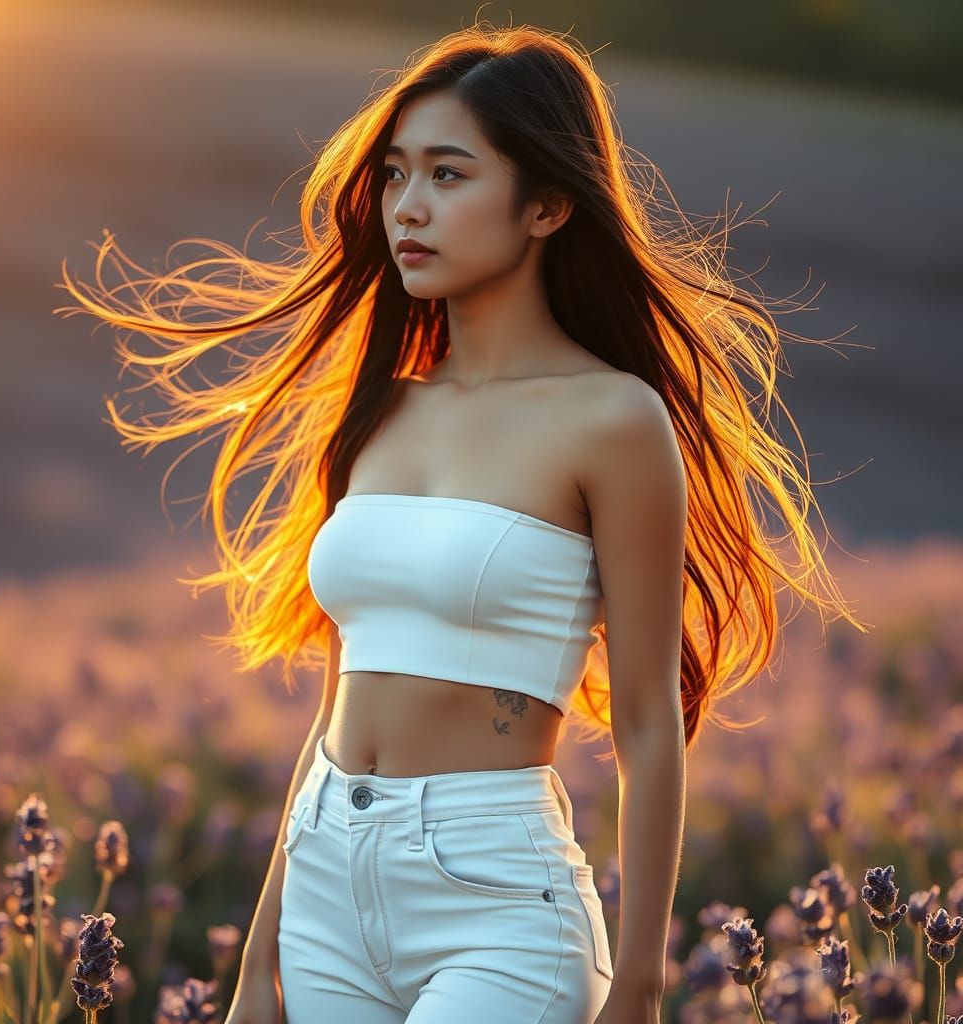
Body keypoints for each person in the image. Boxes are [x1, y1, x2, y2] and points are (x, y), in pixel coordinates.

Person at [56, 19, 868, 1024]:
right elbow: (335, 703)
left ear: (546, 203)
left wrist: (643, 986)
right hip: (322, 887)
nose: (407, 207)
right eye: (395, 175)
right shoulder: (380, 410)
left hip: (492, 898)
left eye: (447, 175)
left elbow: (652, 721)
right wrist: (256, 965)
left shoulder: (612, 418)